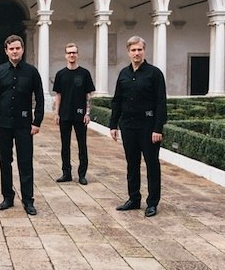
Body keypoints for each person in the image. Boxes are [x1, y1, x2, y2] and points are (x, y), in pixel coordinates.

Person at [109, 36, 167, 217]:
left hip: (148, 126)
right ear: (128, 52)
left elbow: (161, 102)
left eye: (139, 49)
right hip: (128, 126)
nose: (136, 53)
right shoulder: (123, 74)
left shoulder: (154, 73)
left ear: (144, 51)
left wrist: (158, 128)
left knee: (152, 165)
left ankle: (152, 203)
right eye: (133, 50)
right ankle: (134, 199)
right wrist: (113, 124)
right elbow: (117, 100)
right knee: (131, 164)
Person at [0, 35, 44, 215]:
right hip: (3, 123)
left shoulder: (32, 72)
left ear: (22, 49)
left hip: (24, 124)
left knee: (25, 162)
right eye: (11, 49)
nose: (14, 52)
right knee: (5, 161)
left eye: (17, 48)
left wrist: (37, 121)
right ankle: (7, 197)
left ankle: (28, 200)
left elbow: (40, 98)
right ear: (6, 51)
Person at [53, 43, 95, 185]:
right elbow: (58, 95)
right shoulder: (60, 74)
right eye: (69, 52)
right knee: (65, 145)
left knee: (82, 145)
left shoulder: (85, 73)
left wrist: (87, 113)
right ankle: (66, 173)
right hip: (64, 114)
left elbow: (88, 95)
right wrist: (56, 113)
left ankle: (82, 174)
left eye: (74, 52)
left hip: (80, 114)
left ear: (77, 54)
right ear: (65, 55)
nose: (72, 55)